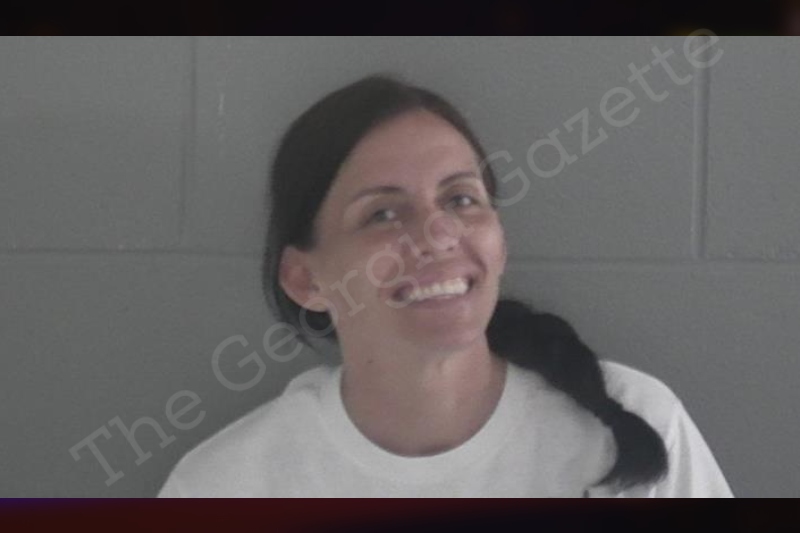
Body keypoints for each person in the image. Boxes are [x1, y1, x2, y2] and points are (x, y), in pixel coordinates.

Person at [158, 74, 733, 498]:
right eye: (383, 214)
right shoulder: (222, 488)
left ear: (499, 242)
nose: (437, 236)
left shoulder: (634, 424)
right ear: (306, 279)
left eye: (460, 199)